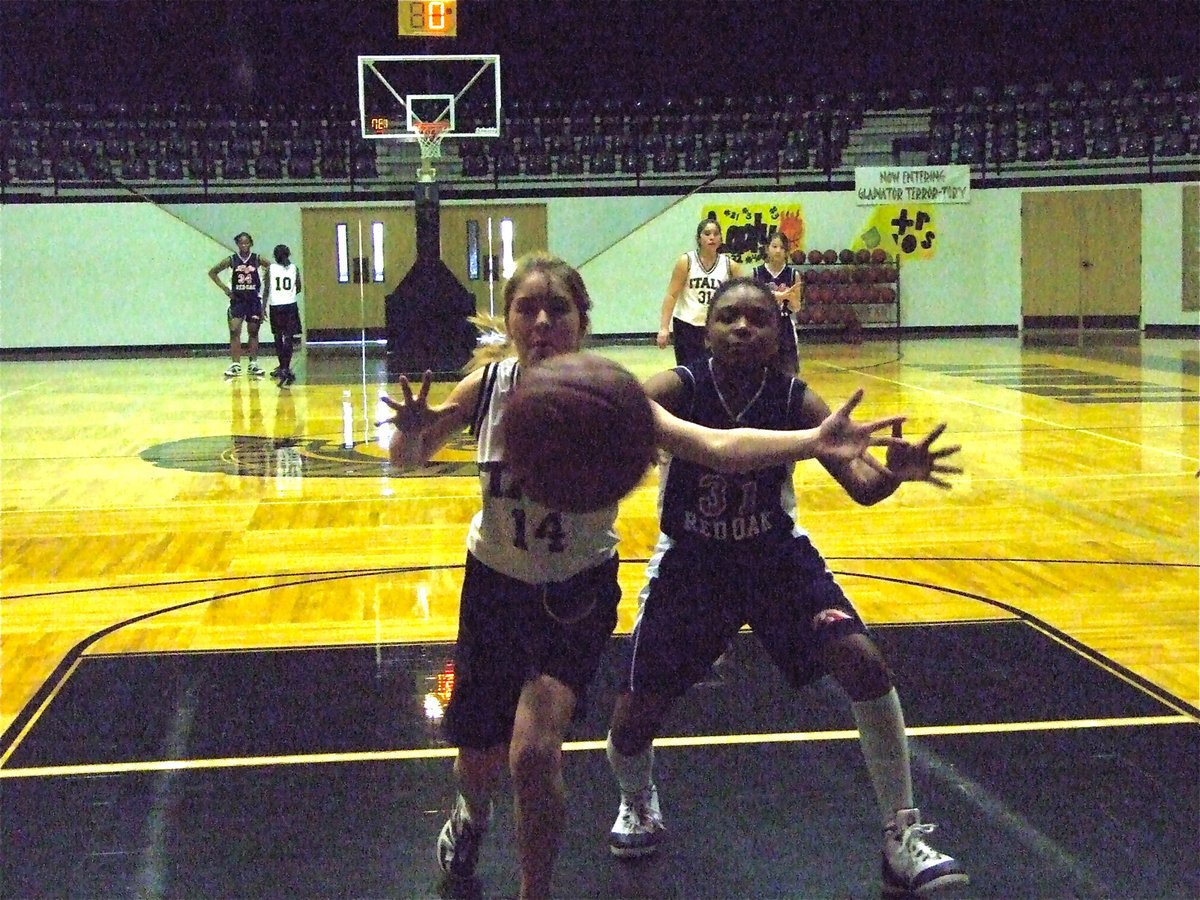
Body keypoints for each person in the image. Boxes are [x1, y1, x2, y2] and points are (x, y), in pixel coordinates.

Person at [379, 252, 909, 900]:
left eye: (558, 309)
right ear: (510, 319)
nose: (542, 321)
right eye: (527, 308)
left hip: (575, 590)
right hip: (494, 582)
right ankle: (470, 816)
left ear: (582, 321)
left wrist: (812, 442)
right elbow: (411, 456)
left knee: (533, 754)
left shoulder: (613, 400)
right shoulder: (487, 388)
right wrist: (409, 435)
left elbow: (717, 446)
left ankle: (534, 891)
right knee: (480, 756)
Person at [606, 277, 968, 897]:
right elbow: (617, 413)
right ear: (706, 331)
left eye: (758, 319)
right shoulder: (682, 387)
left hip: (774, 560)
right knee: (635, 716)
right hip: (692, 564)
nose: (743, 328)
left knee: (863, 663)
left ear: (778, 335)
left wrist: (894, 477)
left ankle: (900, 834)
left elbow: (861, 483)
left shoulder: (795, 398)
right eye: (728, 318)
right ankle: (637, 799)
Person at [657, 218, 743, 367]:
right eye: (707, 233)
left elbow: (744, 296)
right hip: (686, 325)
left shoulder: (730, 266)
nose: (712, 237)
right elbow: (671, 295)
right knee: (688, 371)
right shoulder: (686, 261)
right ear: (699, 238)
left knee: (714, 371)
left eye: (716, 234)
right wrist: (664, 328)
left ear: (721, 238)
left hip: (715, 326)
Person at [208, 231, 268, 378]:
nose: (244, 245)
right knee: (234, 330)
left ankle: (253, 363)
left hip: (254, 300)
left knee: (253, 331)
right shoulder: (232, 260)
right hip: (238, 300)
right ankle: (235, 364)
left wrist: (267, 284)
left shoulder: (257, 259)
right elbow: (213, 272)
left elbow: (272, 269)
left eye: (246, 242)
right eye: (241, 243)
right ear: (237, 244)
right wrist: (226, 289)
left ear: (251, 244)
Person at [752, 231, 802, 375]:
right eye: (774, 246)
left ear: (786, 251)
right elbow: (753, 303)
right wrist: (776, 296)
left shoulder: (793, 275)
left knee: (789, 370)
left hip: (784, 324)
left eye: (782, 247)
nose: (778, 250)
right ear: (767, 249)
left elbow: (797, 307)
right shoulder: (756, 273)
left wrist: (790, 298)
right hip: (762, 324)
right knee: (761, 367)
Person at [264, 243, 303, 386]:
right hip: (290, 305)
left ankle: (282, 366)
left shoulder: (271, 269)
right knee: (289, 338)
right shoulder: (294, 268)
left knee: (278, 338)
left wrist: (263, 308)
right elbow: (298, 287)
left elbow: (267, 289)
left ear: (275, 256)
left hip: (276, 306)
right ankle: (286, 367)